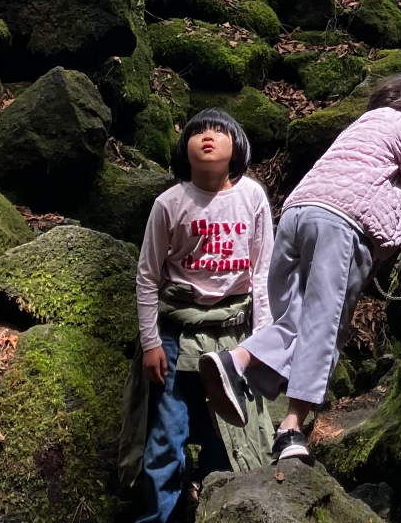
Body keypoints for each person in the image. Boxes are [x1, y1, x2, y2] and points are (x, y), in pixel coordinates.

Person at [198, 71, 401, 464]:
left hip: (296, 217)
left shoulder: (361, 129)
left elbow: (388, 206)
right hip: (340, 228)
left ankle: (235, 362)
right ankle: (290, 430)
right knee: (326, 323)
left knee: (293, 320)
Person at [119, 108, 276, 523]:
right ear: (184, 149)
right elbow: (148, 275)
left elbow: (261, 273)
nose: (208, 137)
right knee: (166, 438)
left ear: (237, 146)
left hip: (233, 334)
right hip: (176, 332)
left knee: (227, 439)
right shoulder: (169, 203)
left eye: (219, 131)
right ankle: (159, 517)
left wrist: (260, 340)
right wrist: (151, 342)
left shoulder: (252, 197)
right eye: (198, 132)